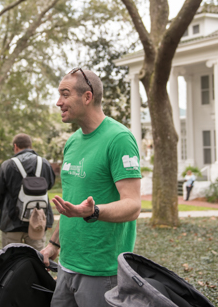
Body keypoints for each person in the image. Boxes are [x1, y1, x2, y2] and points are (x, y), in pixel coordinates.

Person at [40, 68, 142, 307]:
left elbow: (133, 205)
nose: (58, 102)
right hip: (67, 265)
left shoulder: (119, 139)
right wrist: (54, 244)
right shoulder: (73, 142)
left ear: (87, 97)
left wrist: (94, 212)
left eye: (65, 94)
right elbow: (71, 203)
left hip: (102, 271)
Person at [0, 133, 55, 250]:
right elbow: (50, 185)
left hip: (11, 223)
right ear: (30, 146)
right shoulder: (44, 164)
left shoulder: (7, 165)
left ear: (15, 146)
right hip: (37, 221)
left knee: (11, 259)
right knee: (36, 259)